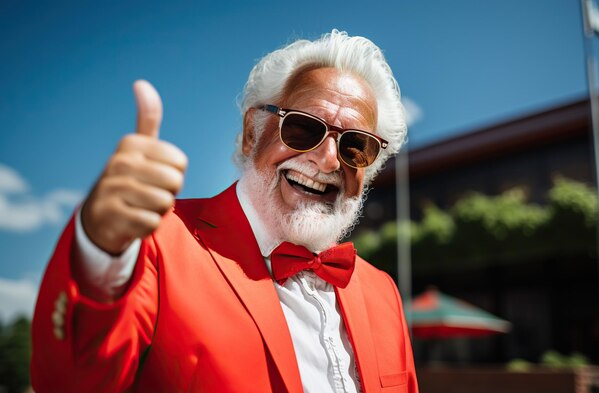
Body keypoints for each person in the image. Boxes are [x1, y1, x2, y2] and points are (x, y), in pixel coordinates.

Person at [31, 30, 418, 393]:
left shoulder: (382, 291)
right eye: (303, 128)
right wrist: (101, 248)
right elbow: (72, 379)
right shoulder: (155, 243)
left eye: (355, 146)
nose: (329, 160)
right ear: (253, 132)